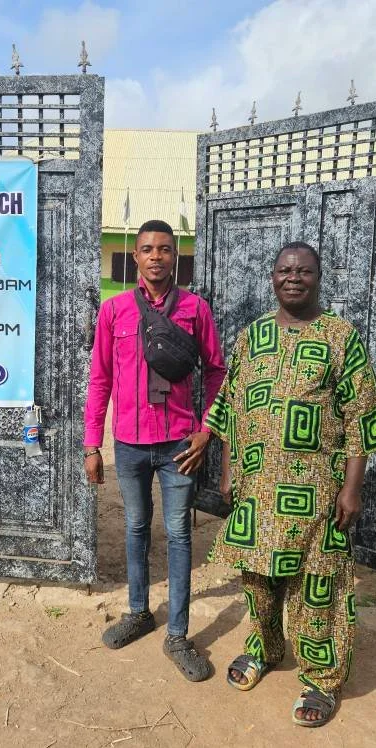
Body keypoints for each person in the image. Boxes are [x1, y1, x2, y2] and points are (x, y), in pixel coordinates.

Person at [204, 241, 376, 726]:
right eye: (285, 270)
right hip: (257, 488)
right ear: (272, 276)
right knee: (259, 581)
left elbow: (361, 418)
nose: (293, 277)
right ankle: (264, 648)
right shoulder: (253, 335)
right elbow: (232, 407)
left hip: (317, 493)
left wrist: (352, 489)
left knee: (317, 588)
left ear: (318, 277)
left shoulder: (341, 338)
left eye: (304, 271)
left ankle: (321, 678)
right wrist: (228, 472)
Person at [84, 219, 227, 682]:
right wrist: (92, 443)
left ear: (175, 257)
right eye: (147, 249)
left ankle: (179, 635)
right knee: (135, 527)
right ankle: (139, 611)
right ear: (136, 257)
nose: (156, 257)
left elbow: (217, 372)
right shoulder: (115, 311)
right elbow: (100, 379)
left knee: (180, 534)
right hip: (128, 442)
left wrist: (206, 431)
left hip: (179, 445)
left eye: (165, 249)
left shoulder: (194, 310)